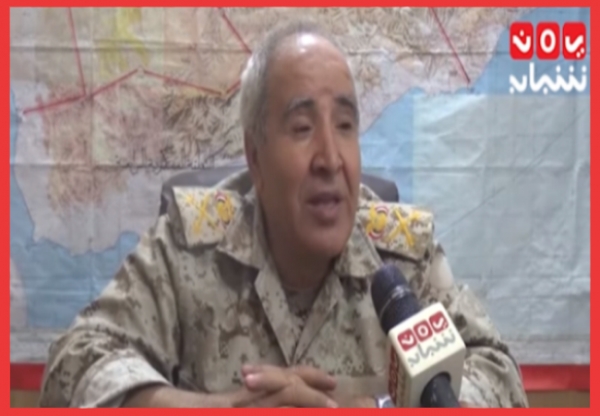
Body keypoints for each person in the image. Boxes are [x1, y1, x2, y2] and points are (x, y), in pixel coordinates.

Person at [38, 20, 528, 408]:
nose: (331, 159)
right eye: (301, 128)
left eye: (345, 125)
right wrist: (217, 409)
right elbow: (73, 366)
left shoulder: (403, 262)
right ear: (255, 156)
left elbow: (499, 374)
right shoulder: (187, 249)